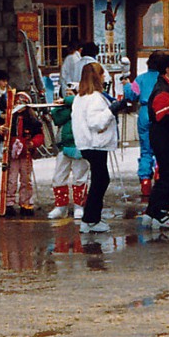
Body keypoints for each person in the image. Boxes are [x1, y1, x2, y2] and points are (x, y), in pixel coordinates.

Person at [71, 62, 117, 234]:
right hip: (96, 143)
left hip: (86, 143)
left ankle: (91, 217)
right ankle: (90, 219)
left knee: (99, 179)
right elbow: (96, 122)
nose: (105, 77)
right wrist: (112, 110)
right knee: (101, 180)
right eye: (102, 74)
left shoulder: (79, 97)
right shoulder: (95, 97)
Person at [139, 53, 169, 229]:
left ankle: (152, 212)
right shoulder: (163, 90)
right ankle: (160, 213)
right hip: (163, 137)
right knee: (167, 176)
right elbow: (161, 116)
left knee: (168, 175)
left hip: (164, 136)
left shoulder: (164, 86)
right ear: (167, 69)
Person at [123, 52, 165, 200]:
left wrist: (126, 86)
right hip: (160, 113)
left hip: (144, 113)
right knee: (162, 147)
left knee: (146, 150)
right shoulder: (164, 79)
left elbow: (131, 96)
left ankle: (145, 181)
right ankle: (160, 173)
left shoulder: (140, 79)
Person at [47, 91, 89, 220]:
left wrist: (66, 100)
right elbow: (56, 117)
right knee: (58, 176)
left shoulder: (83, 103)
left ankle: (79, 205)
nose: (67, 96)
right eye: (65, 93)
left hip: (80, 145)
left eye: (71, 93)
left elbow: (77, 100)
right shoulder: (64, 110)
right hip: (64, 146)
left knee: (80, 176)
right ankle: (60, 206)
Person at [0, 98, 44, 217]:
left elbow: (39, 135)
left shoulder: (32, 121)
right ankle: (9, 203)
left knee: (26, 179)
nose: (19, 106)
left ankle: (26, 203)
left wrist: (33, 143)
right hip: (12, 154)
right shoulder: (10, 118)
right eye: (17, 103)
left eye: (21, 103)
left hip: (26, 153)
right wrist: (0, 129)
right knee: (11, 179)